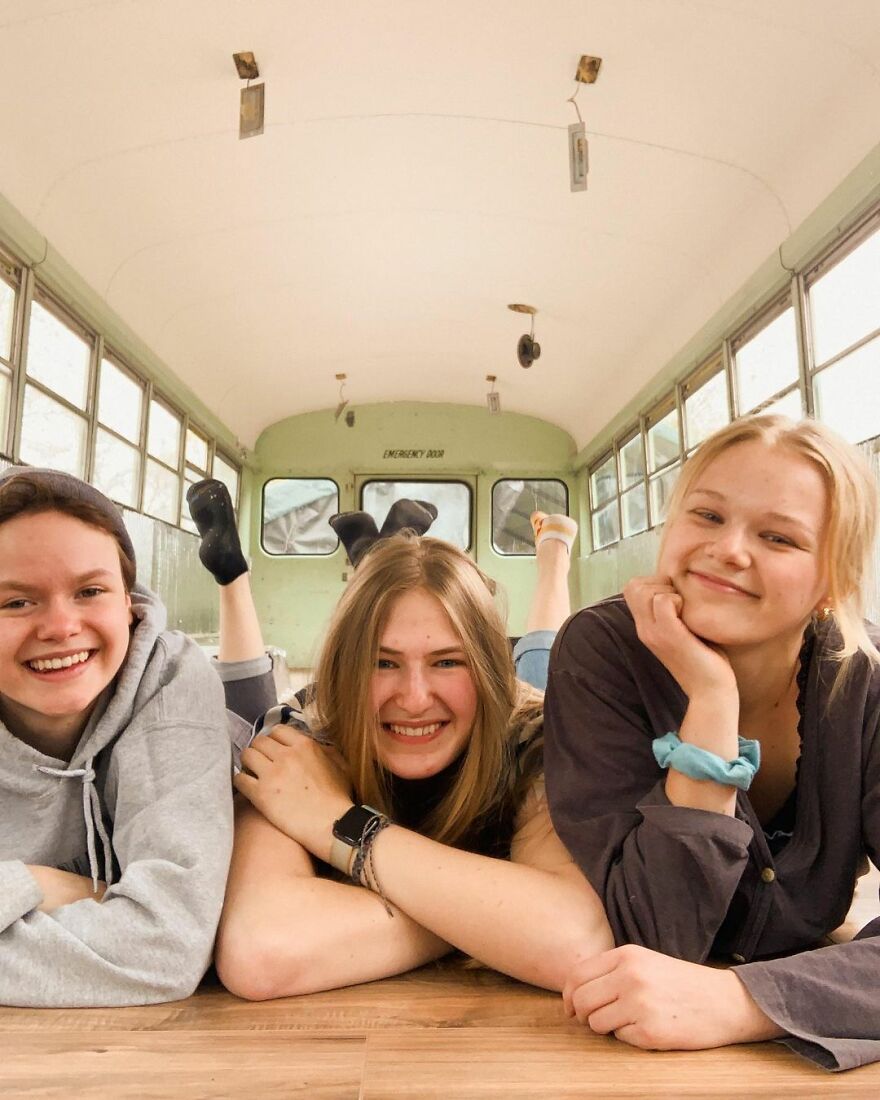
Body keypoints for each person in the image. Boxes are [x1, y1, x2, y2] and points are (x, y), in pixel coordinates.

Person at [542, 415, 880, 1071]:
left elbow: (695, 983)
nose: (729, 549)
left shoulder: (863, 679)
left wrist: (745, 1002)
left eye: (778, 537)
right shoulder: (600, 652)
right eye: (707, 516)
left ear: (831, 582)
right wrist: (712, 698)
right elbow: (658, 934)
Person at [186, 481, 612, 999]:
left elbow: (573, 941)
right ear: (345, 669)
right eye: (382, 662)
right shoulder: (307, 731)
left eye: (447, 662)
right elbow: (263, 949)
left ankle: (554, 556)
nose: (413, 698)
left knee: (546, 656)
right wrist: (495, 917)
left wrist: (336, 823)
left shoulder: (532, 737)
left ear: (487, 671)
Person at [0, 467, 234, 1007]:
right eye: (17, 601)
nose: (60, 627)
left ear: (128, 602)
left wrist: (19, 885)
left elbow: (166, 950)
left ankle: (232, 574)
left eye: (90, 591)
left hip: (229, 741)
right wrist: (67, 888)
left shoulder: (170, 675)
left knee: (253, 702)